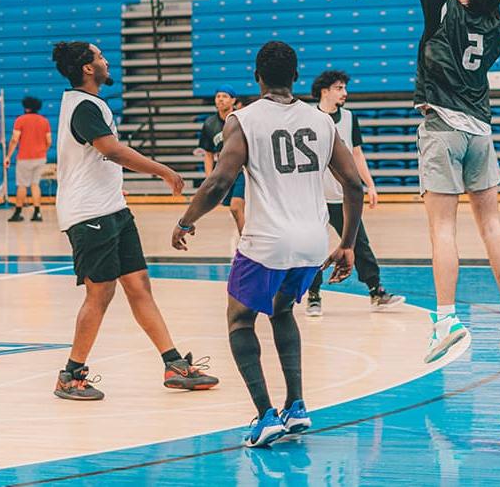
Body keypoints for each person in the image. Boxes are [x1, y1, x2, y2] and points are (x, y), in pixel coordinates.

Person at [171, 41, 365, 448]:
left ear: (257, 77)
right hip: (312, 241)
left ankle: (265, 416)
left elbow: (220, 181)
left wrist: (187, 220)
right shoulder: (321, 121)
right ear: (296, 76)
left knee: (240, 319)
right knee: (281, 311)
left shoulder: (243, 119)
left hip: (268, 240)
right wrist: (346, 244)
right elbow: (352, 183)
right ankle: (296, 406)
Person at [390, 0, 500, 363]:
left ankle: (446, 319)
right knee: (490, 223)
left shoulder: (442, 7)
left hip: (442, 129)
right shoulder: (495, 24)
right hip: (480, 131)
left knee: (442, 230)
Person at [51, 41, 218, 400]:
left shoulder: (88, 104)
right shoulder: (82, 105)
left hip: (112, 209)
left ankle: (173, 364)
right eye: (100, 57)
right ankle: (71, 374)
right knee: (102, 292)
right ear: (86, 68)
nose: (106, 61)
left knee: (139, 284)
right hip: (89, 214)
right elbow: (111, 150)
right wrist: (163, 171)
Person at [305, 69, 405, 316]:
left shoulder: (349, 118)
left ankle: (376, 291)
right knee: (313, 247)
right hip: (314, 196)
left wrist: (369, 184)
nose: (345, 93)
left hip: (343, 197)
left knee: (359, 245)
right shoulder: (307, 117)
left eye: (344, 88)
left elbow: (357, 154)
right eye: (339, 88)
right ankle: (313, 296)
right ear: (324, 90)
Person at [196, 86, 246, 233]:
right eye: (218, 96)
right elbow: (208, 154)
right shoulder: (209, 124)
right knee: (236, 208)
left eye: (225, 96)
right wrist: (209, 178)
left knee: (236, 207)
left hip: (242, 170)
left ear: (233, 100)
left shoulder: (242, 119)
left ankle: (246, 243)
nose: (221, 99)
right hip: (223, 171)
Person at [5, 95, 51, 222]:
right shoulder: (44, 121)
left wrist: (8, 156)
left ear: (26, 107)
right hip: (40, 157)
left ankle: (18, 213)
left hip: (24, 157)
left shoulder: (20, 120)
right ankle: (37, 213)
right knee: (35, 184)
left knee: (22, 185)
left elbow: (15, 139)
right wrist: (42, 150)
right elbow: (49, 141)